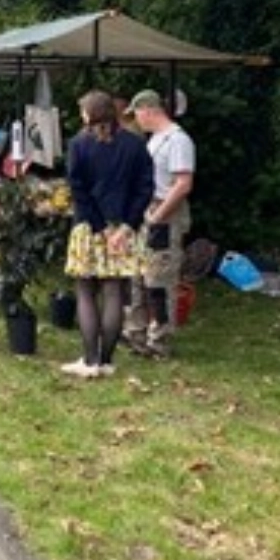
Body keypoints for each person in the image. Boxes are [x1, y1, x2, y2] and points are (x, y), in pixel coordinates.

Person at [62, 90, 154, 378]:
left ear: (89, 115)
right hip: (124, 230)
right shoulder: (136, 145)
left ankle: (90, 362)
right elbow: (145, 188)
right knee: (114, 290)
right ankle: (107, 361)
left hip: (89, 227)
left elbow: (78, 190)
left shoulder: (79, 144)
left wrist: (102, 228)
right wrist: (126, 225)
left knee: (86, 291)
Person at [123, 88, 196, 358]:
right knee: (139, 274)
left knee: (159, 279)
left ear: (149, 110)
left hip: (164, 212)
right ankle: (136, 332)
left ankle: (159, 340)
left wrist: (159, 214)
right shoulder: (155, 139)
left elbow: (183, 183)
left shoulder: (178, 141)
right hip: (147, 208)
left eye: (137, 114)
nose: (136, 120)